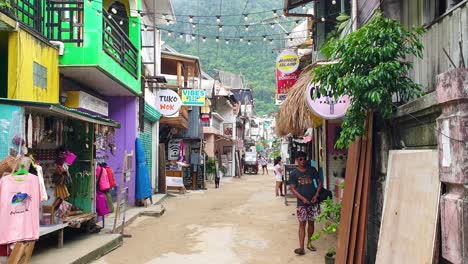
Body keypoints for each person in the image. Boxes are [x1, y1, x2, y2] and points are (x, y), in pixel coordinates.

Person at [290, 151, 322, 255]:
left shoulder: (312, 171)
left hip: (313, 202)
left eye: (304, 159)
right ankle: (301, 248)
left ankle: (309, 243)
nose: (302, 161)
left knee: (311, 223)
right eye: (300, 159)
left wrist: (316, 195)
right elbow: (293, 188)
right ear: (297, 161)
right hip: (302, 204)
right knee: (302, 224)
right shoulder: (294, 173)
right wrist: (302, 199)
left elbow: (318, 183)